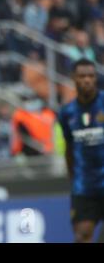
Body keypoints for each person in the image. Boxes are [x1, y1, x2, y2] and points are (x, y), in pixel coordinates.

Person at [58, 58, 104, 243]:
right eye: (82, 76)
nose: (87, 80)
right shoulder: (67, 112)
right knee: (82, 236)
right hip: (84, 186)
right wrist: (72, 176)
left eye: (91, 76)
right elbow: (69, 147)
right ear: (74, 78)